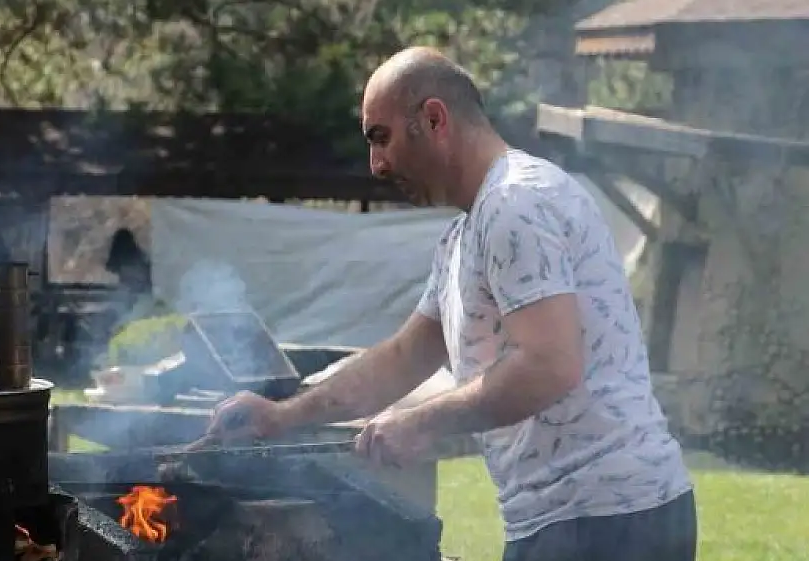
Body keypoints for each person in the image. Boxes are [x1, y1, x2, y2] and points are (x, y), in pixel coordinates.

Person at [201, 47, 696, 561]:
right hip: (571, 521)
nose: (377, 164)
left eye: (381, 137)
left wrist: (423, 422)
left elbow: (549, 365)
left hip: (608, 520)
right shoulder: (464, 234)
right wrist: (281, 417)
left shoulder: (516, 202)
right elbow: (401, 359)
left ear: (433, 118)